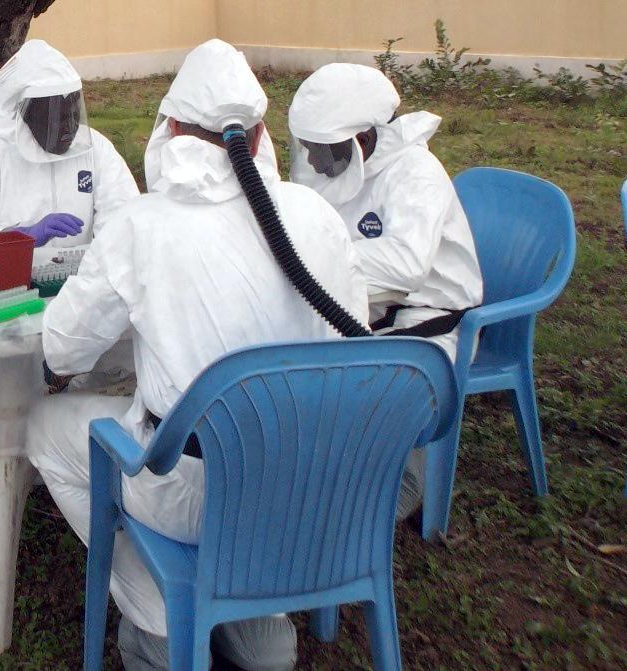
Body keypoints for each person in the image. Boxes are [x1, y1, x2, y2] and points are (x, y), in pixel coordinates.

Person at [26, 40, 369, 670]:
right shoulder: (317, 215)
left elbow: (64, 345)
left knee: (44, 430)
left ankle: (157, 611)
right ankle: (257, 614)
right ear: (260, 134)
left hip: (190, 491)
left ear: (172, 127)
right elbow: (354, 340)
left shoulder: (142, 226)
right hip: (306, 488)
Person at [288, 63, 483, 518]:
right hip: (363, 308)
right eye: (310, 149)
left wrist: (325, 264)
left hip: (429, 320)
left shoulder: (415, 173)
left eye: (326, 151)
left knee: (374, 397)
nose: (316, 162)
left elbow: (405, 266)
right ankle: (309, 474)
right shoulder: (336, 171)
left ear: (364, 139)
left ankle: (396, 488)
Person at [0, 39, 139, 279]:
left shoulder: (96, 150)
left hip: (79, 285)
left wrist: (102, 265)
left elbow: (124, 216)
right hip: (1, 285)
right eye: (56, 118)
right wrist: (19, 238)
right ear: (23, 113)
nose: (69, 129)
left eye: (73, 114)